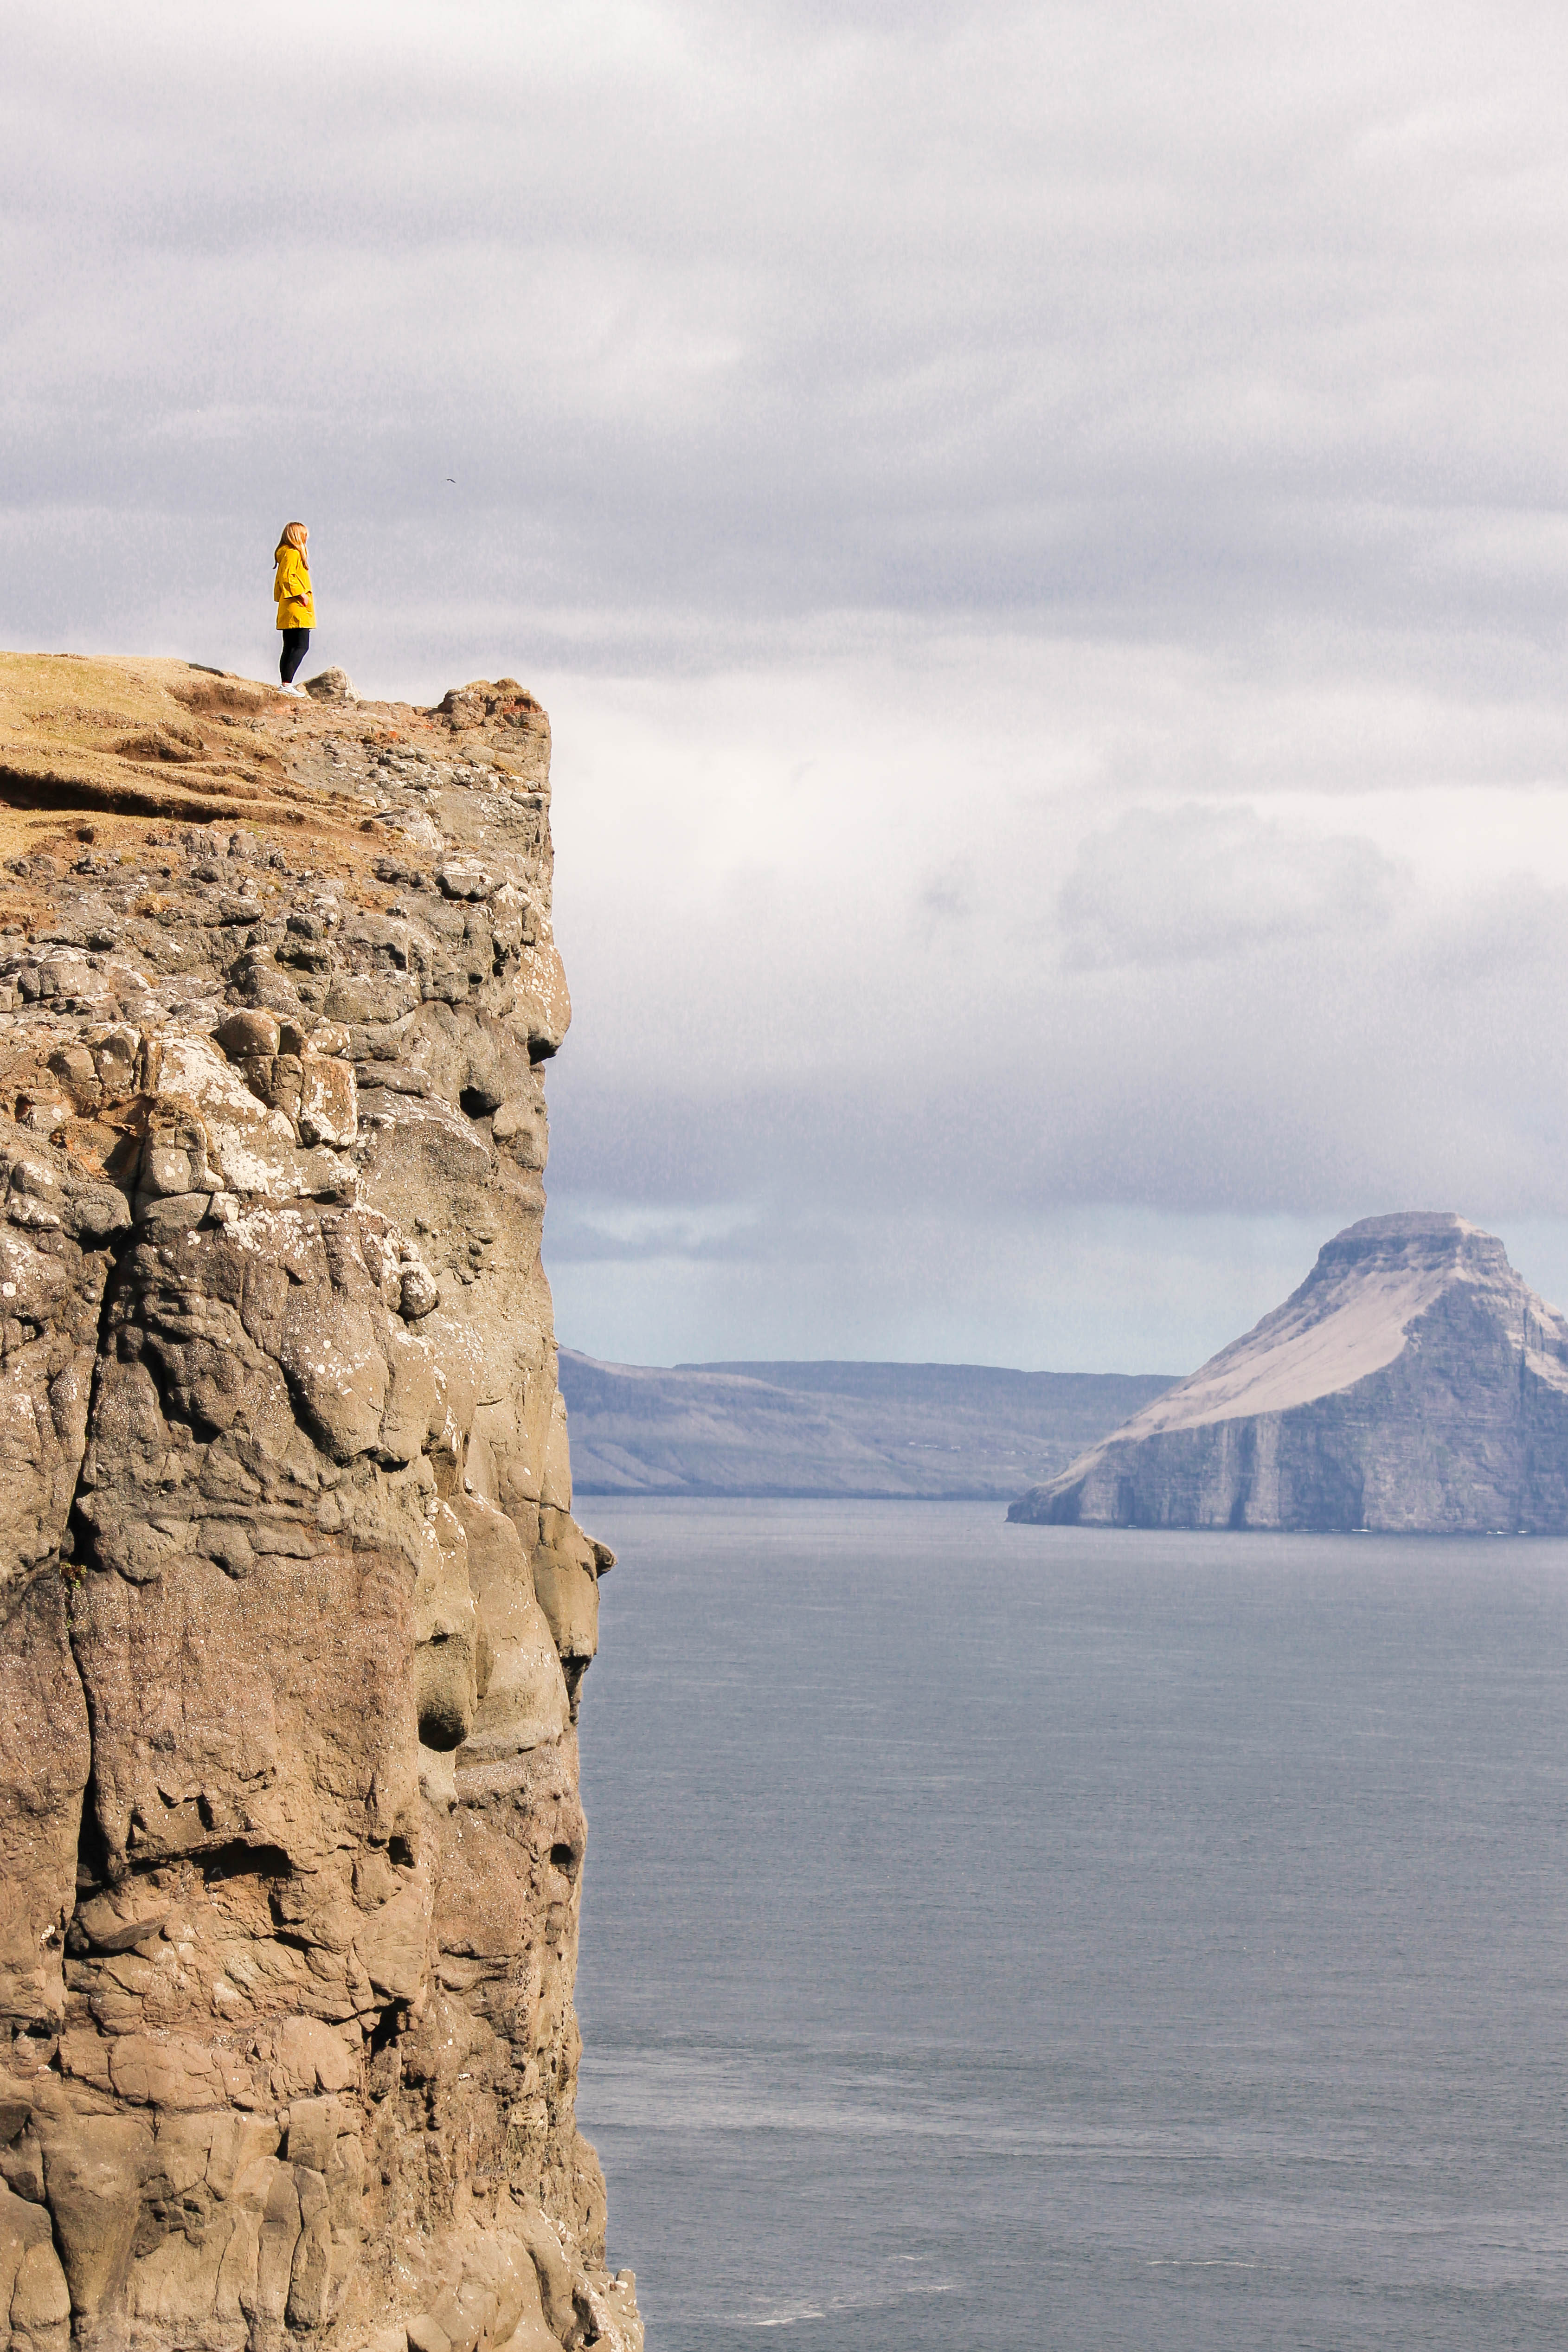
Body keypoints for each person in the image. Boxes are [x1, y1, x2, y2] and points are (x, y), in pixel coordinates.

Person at [273, 521, 315, 689]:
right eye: (304, 535)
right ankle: (287, 685)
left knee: (290, 647)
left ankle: (285, 684)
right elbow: (287, 577)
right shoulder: (293, 554)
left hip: (288, 607)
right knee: (301, 646)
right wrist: (302, 595)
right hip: (296, 607)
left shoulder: (285, 554)